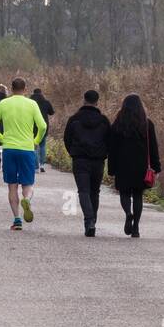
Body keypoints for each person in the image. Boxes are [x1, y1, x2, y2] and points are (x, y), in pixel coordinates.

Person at [0, 77, 46, 231]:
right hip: (27, 148)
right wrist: (35, 140)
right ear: (25, 89)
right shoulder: (32, 104)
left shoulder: (4, 103)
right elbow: (43, 126)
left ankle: (17, 219)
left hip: (10, 148)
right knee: (28, 183)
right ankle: (27, 199)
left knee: (12, 185)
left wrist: (3, 138)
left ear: (11, 89)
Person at [106, 94, 162, 238]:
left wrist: (111, 168)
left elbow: (112, 148)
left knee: (124, 193)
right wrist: (156, 166)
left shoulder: (118, 123)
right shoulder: (147, 124)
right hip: (141, 165)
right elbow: (153, 148)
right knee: (138, 195)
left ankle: (128, 213)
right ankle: (136, 227)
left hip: (122, 165)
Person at [63, 90, 111, 237]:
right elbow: (109, 140)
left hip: (80, 159)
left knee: (83, 191)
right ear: (97, 102)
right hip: (98, 160)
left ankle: (89, 221)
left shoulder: (74, 119)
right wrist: (104, 153)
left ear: (84, 100)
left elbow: (67, 138)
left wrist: (73, 151)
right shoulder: (104, 121)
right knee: (95, 192)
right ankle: (93, 221)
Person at [30, 86, 55, 173]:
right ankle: (42, 164)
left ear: (33, 93)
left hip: (32, 126)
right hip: (44, 126)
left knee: (34, 146)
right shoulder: (46, 102)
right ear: (41, 93)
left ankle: (36, 166)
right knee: (42, 145)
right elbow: (52, 112)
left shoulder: (30, 102)